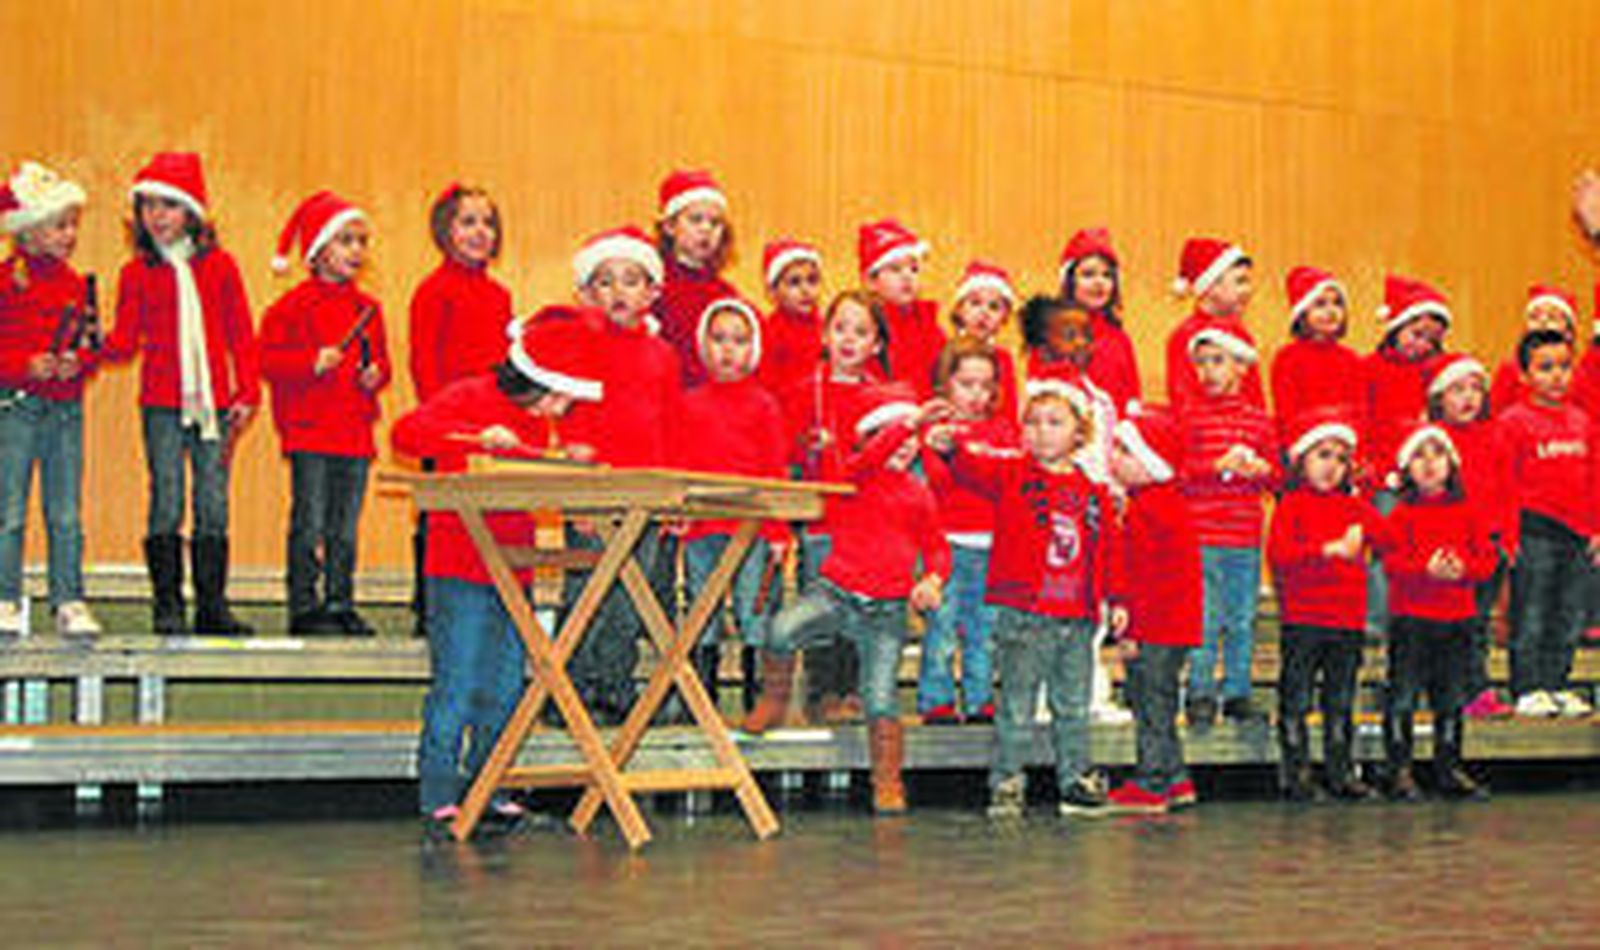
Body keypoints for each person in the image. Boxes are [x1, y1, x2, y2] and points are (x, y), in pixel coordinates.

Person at [391, 306, 604, 836]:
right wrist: (473, 438)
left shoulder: (540, 422)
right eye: (560, 396)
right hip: (458, 566)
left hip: (515, 570)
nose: (562, 408)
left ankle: (492, 788)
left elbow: (534, 469)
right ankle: (439, 792)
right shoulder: (470, 395)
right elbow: (407, 433)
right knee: (457, 682)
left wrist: (566, 462)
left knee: (506, 687)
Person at [745, 383, 948, 815]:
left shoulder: (918, 493)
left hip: (886, 611)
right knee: (781, 629)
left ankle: (887, 779)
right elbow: (868, 459)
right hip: (835, 594)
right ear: (869, 438)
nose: (902, 446)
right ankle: (773, 701)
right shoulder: (854, 477)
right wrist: (910, 421)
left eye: (910, 440)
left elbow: (936, 546)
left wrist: (933, 577)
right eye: (890, 435)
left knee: (880, 698)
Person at [938, 378, 1114, 819]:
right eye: (1032, 422)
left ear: (1080, 432)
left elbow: (1108, 549)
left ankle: (1074, 779)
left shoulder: (1094, 491)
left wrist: (1117, 597)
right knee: (1015, 704)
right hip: (1023, 614)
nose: (1041, 431)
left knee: (1072, 706)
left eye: (1054, 422)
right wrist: (951, 450)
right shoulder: (1013, 473)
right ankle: (1007, 780)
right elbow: (971, 470)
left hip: (1075, 618)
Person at [106, 152, 259, 636]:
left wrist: (247, 389)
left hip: (213, 402)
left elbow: (241, 334)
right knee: (166, 496)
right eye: (147, 205)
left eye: (168, 205)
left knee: (213, 499)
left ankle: (212, 605)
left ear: (192, 211)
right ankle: (167, 604)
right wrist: (88, 344)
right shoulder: (136, 274)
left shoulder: (221, 267)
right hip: (161, 403)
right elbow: (124, 342)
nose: (157, 215)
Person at [557, 226, 682, 723]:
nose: (618, 292)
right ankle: (570, 687)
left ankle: (614, 682)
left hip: (646, 494)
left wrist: (673, 493)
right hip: (595, 492)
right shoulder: (578, 347)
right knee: (586, 591)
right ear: (586, 293)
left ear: (652, 291)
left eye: (631, 280)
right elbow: (571, 422)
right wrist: (580, 493)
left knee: (632, 595)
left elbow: (673, 425)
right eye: (604, 282)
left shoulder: (663, 355)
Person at [259, 190, 391, 636]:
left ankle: (340, 599)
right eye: (345, 241)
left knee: (344, 528)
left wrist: (375, 375)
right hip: (310, 432)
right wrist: (311, 363)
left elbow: (383, 364)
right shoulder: (291, 308)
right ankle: (304, 604)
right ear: (318, 251)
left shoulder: (367, 309)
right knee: (309, 521)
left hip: (353, 432)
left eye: (360, 241)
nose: (356, 250)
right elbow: (269, 361)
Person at [775, 289, 887, 723]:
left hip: (867, 526)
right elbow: (785, 456)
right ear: (825, 334)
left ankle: (852, 690)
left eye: (861, 332)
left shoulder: (883, 396)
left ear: (876, 344)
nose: (849, 339)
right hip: (821, 522)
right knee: (821, 608)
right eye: (840, 328)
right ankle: (822, 692)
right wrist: (808, 448)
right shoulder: (803, 392)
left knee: (861, 613)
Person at [406, 182, 512, 637]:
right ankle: (428, 603)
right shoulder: (433, 290)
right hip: (449, 425)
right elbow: (424, 360)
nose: (480, 231)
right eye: (468, 222)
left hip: (491, 427)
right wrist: (439, 420)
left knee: (485, 513)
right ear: (445, 230)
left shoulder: (499, 295)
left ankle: (484, 594)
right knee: (440, 515)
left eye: (488, 223)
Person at [0, 160, 100, 638]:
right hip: (15, 405)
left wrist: (77, 362)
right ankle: (5, 598)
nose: (68, 235)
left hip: (64, 409)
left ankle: (68, 598)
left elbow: (88, 344)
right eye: (60, 225)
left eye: (71, 226)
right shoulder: (6, 278)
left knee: (65, 511)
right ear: (29, 230)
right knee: (9, 509)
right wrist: (24, 365)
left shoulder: (76, 283)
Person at [676, 297, 790, 712]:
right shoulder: (688, 403)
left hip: (752, 529)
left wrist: (778, 531)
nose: (728, 349)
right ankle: (699, 695)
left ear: (753, 349)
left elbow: (774, 471)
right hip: (702, 527)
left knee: (752, 608)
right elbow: (679, 464)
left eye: (739, 340)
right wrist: (678, 513)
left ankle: (754, 695)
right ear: (704, 345)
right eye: (719, 339)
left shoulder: (764, 406)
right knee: (701, 606)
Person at [1375, 423, 1496, 800]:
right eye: (1419, 456)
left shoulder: (1468, 511)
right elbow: (1391, 561)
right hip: (1412, 619)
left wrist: (1464, 570)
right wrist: (1424, 568)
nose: (1429, 464)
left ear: (1451, 464)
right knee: (1404, 695)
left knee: (1450, 698)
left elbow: (1487, 560)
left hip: (1457, 619)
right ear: (1406, 467)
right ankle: (1400, 769)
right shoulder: (1400, 514)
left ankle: (1448, 766)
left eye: (1437, 454)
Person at [1267, 411, 1380, 801]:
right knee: (1296, 696)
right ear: (1301, 461)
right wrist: (1326, 550)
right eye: (1323, 455)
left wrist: (1370, 492)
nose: (1332, 466)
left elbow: (1388, 537)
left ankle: (1339, 770)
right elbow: (1280, 554)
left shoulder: (1354, 507)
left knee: (1340, 699)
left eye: (1340, 458)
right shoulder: (1292, 505)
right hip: (1304, 618)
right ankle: (1297, 771)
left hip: (1346, 620)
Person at [1496, 329, 1599, 718]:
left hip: (1577, 536)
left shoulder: (1583, 422)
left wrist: (1595, 529)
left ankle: (1558, 683)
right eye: (1545, 368)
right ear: (1523, 375)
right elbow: (1504, 483)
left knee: (1569, 614)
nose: (1557, 376)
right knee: (1532, 612)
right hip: (1534, 531)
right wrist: (1509, 534)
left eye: (1564, 367)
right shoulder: (1513, 422)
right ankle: (1527, 686)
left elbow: (1594, 481)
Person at [1103, 405, 1201, 813]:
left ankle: (1152, 780)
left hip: (1155, 627)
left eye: (1124, 451)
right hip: (1175, 627)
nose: (1114, 459)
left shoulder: (1148, 509)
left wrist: (1131, 629)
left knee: (1151, 706)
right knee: (1161, 702)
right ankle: (1176, 778)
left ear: (1150, 462)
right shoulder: (1168, 504)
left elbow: (1140, 575)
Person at [1178, 324, 1277, 726]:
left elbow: (1277, 477)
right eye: (1201, 363)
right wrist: (1215, 467)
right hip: (1203, 536)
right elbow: (1180, 473)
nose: (1207, 371)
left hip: (1245, 537)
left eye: (1217, 361)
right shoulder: (1190, 417)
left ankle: (1238, 690)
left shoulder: (1259, 421)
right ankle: (1200, 690)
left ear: (1240, 366)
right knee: (1205, 618)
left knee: (1241, 617)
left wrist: (1260, 469)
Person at [918, 337, 1018, 724]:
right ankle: (936, 698)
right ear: (946, 384)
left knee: (984, 630)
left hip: (993, 547)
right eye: (966, 384)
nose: (977, 395)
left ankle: (979, 698)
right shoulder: (936, 433)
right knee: (942, 629)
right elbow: (937, 486)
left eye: (985, 385)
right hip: (947, 546)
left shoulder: (1005, 432)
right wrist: (940, 449)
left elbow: (1004, 485)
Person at [1361, 274, 1452, 637]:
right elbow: (1364, 424)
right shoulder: (1371, 369)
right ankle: (1377, 620)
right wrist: (1376, 470)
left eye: (1432, 339)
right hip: (1387, 479)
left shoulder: (1439, 373)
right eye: (1416, 334)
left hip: (1428, 480)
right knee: (1386, 550)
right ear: (1396, 327)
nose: (1422, 344)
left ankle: (1418, 620)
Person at [1426, 354, 1515, 719]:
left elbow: (1509, 491)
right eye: (1457, 389)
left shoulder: (1496, 437)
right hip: (1448, 550)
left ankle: (1476, 691)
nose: (1468, 397)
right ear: (1438, 398)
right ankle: (1444, 690)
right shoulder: (1432, 441)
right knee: (1445, 625)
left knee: (1475, 624)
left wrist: (1508, 538)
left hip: (1485, 549)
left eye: (1476, 388)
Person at [653, 169, 739, 387]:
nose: (706, 229)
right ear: (670, 226)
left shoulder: (725, 294)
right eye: (696, 220)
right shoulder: (653, 285)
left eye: (715, 223)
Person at [1165, 236, 1262, 410]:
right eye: (1240, 281)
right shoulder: (1184, 336)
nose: (1248, 290)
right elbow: (1183, 402)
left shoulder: (1242, 334)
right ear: (1211, 286)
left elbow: (1255, 399)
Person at [1269, 266, 1362, 444]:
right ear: (1302, 314)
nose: (1331, 311)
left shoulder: (1351, 359)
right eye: (1320, 304)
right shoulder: (1288, 358)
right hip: (1304, 445)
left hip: (1345, 443)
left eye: (1337, 303)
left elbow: (1360, 412)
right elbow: (1286, 414)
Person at [857, 218, 946, 398]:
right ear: (871, 281)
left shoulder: (931, 327)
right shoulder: (865, 327)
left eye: (914, 269)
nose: (907, 277)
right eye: (895, 269)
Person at [1056, 227, 1140, 414]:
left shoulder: (1120, 339)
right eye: (1088, 274)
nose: (1099, 282)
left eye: (1107, 275)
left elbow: (1132, 397)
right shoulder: (1052, 335)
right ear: (1070, 282)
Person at [947, 260, 1019, 421]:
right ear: (959, 309)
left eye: (994, 307)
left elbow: (1009, 411)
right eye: (975, 303)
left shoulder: (1003, 358)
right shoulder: (944, 350)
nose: (984, 313)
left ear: (1004, 318)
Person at [1489, 285, 1578, 414]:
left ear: (1569, 331)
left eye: (1552, 317)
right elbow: (1496, 411)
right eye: (1534, 317)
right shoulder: (1511, 368)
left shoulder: (1581, 369)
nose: (1543, 322)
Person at [756, 238, 824, 397]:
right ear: (772, 293)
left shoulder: (827, 327)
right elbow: (766, 386)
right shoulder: (770, 332)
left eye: (812, 280)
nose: (805, 290)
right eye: (794, 283)